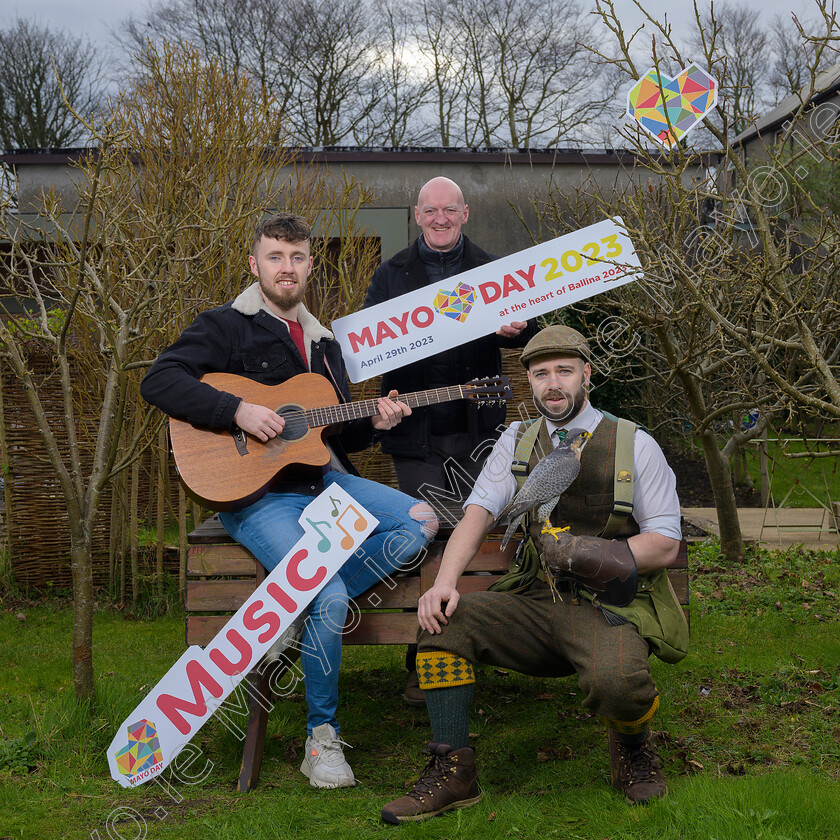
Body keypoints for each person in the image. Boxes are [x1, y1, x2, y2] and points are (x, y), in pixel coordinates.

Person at [141, 212, 439, 790]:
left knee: (420, 520)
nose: (287, 268)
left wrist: (377, 419)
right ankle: (321, 738)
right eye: (275, 257)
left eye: (298, 258)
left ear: (310, 266)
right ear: (255, 265)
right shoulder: (226, 326)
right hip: (258, 497)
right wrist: (237, 411)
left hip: (323, 484)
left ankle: (296, 615)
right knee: (323, 591)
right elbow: (161, 380)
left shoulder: (326, 345)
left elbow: (342, 436)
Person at [379, 325, 687, 823]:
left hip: (606, 604)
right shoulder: (516, 440)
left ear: (586, 374)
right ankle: (453, 770)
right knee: (442, 625)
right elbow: (478, 512)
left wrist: (586, 552)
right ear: (530, 383)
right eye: (541, 374)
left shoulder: (635, 443)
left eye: (564, 371)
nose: (553, 384)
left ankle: (632, 747)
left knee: (620, 685)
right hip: (534, 597)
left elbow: (665, 542)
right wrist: (443, 583)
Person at [363, 176, 537, 705]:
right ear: (417, 216)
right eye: (430, 211)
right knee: (427, 535)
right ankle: (423, 657)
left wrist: (520, 329)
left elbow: (537, 331)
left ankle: (461, 647)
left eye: (450, 210)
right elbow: (371, 350)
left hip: (477, 429)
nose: (440, 219)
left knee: (471, 536)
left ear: (464, 214)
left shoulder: (493, 271)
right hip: (416, 437)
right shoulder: (390, 275)